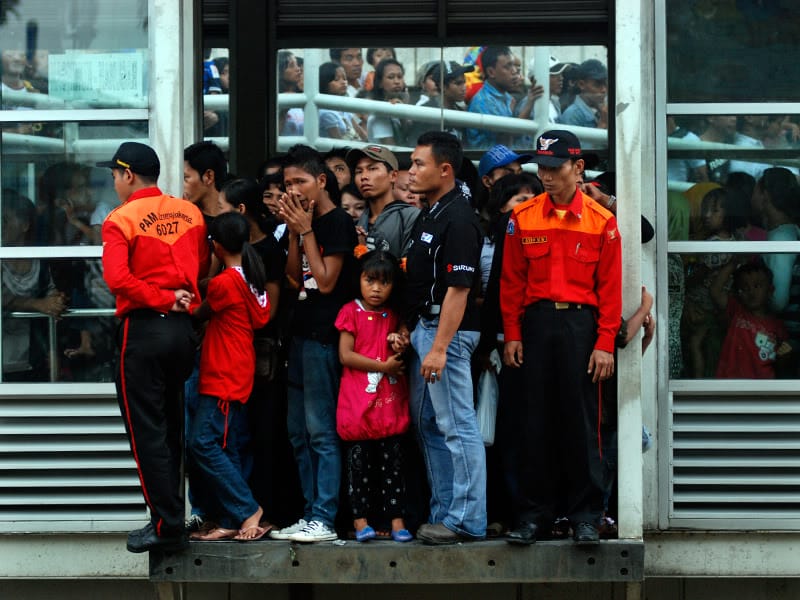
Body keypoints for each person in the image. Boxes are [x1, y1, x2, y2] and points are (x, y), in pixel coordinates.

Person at [500, 130, 622, 545]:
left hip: (581, 328)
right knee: (534, 422)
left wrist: (605, 342)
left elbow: (610, 289)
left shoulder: (602, 221)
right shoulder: (522, 217)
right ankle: (534, 516)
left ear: (578, 168)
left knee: (584, 424)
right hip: (535, 326)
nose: (546, 176)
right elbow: (511, 282)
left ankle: (586, 515)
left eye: (555, 168)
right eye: (542, 168)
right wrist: (512, 334)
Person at [99, 142, 209, 553]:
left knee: (146, 432)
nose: (114, 182)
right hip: (181, 331)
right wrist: (176, 299)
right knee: (170, 429)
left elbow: (118, 281)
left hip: (144, 331)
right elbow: (199, 265)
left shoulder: (119, 219)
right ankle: (170, 517)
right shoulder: (190, 212)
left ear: (128, 175)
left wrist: (161, 298)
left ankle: (166, 524)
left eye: (114, 174)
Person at [271, 144, 357, 543]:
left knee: (321, 432)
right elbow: (294, 277)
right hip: (300, 334)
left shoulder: (337, 222)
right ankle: (309, 513)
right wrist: (293, 232)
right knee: (296, 433)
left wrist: (305, 230)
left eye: (300, 181)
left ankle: (324, 516)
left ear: (321, 181)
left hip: (325, 336)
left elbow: (324, 282)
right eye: (287, 183)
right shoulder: (300, 222)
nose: (293, 189)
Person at [403, 131, 486, 544]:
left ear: (445, 169)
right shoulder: (431, 211)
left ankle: (467, 520)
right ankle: (445, 511)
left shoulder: (460, 217)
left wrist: (438, 348)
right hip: (425, 326)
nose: (412, 170)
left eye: (419, 164)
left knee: (457, 426)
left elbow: (459, 289)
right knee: (428, 424)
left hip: (447, 333)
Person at [187, 211, 271, 541]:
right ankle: (232, 518)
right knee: (227, 445)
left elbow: (196, 312)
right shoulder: (251, 277)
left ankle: (248, 509)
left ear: (216, 246)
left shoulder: (224, 283)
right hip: (239, 368)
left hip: (222, 371)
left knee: (202, 443)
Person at [335, 250, 413, 543]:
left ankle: (397, 522)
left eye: (384, 282)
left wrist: (399, 341)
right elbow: (346, 355)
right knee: (359, 466)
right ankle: (360, 523)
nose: (376, 288)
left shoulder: (394, 317)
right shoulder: (350, 312)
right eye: (370, 280)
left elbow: (400, 344)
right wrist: (384, 365)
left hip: (388, 406)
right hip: (358, 404)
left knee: (392, 465)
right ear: (359, 280)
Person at [711, 260, 789, 379]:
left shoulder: (777, 326)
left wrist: (785, 355)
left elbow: (782, 360)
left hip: (763, 387)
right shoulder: (737, 310)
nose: (751, 291)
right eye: (745, 288)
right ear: (739, 293)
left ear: (770, 291)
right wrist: (734, 261)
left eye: (757, 286)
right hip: (730, 384)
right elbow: (715, 291)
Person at [347, 145, 420, 257]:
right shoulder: (359, 221)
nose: (364, 176)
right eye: (359, 171)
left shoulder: (410, 216)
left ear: (393, 176)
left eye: (372, 169)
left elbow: (409, 267)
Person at [466, 46, 520, 149]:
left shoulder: (506, 96)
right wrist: (530, 102)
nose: (514, 71)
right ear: (491, 72)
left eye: (513, 65)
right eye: (507, 67)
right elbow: (505, 137)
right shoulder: (484, 101)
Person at [318, 62, 366, 141]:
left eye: (344, 78)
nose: (343, 82)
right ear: (324, 83)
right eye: (337, 79)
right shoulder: (326, 112)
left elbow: (360, 133)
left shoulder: (342, 107)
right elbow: (339, 142)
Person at [183, 141, 228, 226]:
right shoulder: (185, 220)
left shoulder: (234, 220)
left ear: (209, 176)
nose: (180, 186)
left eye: (185, 178)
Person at [366, 58, 409, 146]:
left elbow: (409, 136)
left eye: (400, 77)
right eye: (391, 77)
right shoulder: (380, 114)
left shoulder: (397, 106)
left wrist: (404, 110)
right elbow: (391, 149)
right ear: (380, 83)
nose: (397, 82)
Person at [559, 59, 608, 129]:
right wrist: (603, 124)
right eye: (597, 84)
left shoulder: (599, 110)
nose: (604, 90)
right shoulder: (572, 115)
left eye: (605, 84)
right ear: (581, 84)